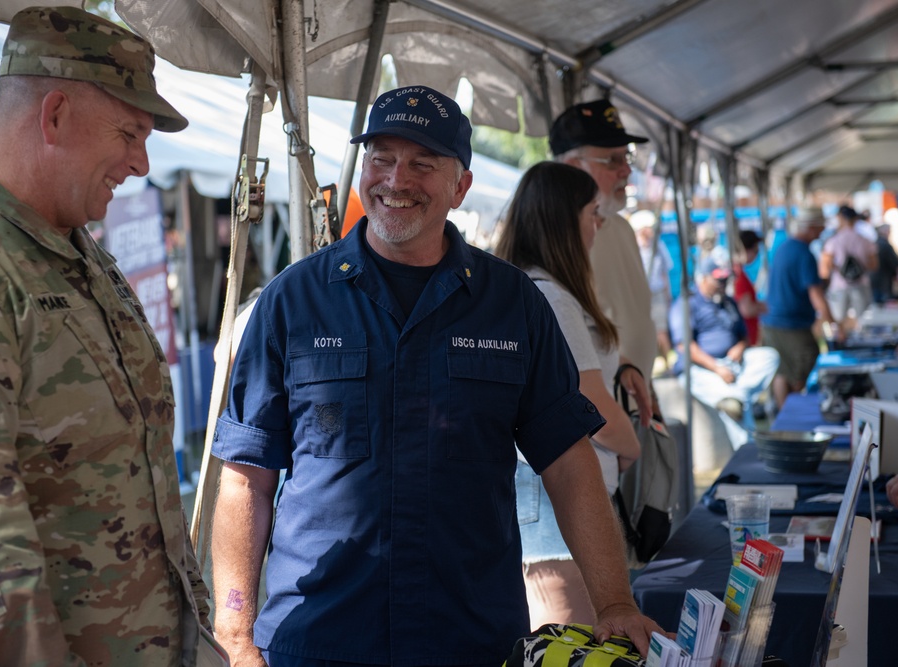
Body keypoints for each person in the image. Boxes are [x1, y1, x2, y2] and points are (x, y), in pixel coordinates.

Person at [208, 86, 664, 667]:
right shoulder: (292, 302)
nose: (397, 179)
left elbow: (570, 463)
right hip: (319, 638)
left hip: (468, 638)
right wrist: (234, 630)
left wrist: (615, 602)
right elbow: (247, 475)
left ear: (460, 186)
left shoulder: (513, 304)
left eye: (423, 163)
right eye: (381, 157)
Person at [0, 7, 212, 666]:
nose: (142, 162)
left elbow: (149, 487)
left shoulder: (84, 261)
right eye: (128, 132)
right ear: (55, 115)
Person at [495, 161, 647, 627]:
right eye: (592, 213)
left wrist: (622, 367)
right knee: (573, 641)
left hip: (544, 497)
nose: (598, 225)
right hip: (559, 501)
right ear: (564, 221)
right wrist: (632, 447)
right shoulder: (552, 296)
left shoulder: (523, 287)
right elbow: (586, 398)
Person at [549, 100, 660, 400]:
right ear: (573, 166)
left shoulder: (622, 227)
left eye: (626, 157)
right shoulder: (554, 240)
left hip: (636, 399)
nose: (626, 170)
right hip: (598, 420)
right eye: (612, 160)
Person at [668, 254, 779, 449]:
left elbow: (744, 335)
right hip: (701, 368)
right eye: (718, 279)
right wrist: (717, 368)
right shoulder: (687, 303)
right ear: (703, 278)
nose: (723, 283)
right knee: (732, 406)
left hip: (733, 364)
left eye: (725, 279)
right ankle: (747, 447)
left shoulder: (728, 301)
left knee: (769, 356)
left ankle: (737, 395)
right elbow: (685, 346)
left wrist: (740, 347)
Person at [761, 207, 838, 410]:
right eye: (820, 226)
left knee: (783, 371)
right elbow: (815, 294)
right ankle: (792, 416)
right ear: (812, 227)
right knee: (801, 369)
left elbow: (805, 286)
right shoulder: (804, 253)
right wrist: (833, 323)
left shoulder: (785, 247)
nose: (822, 231)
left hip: (775, 321)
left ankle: (785, 417)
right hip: (791, 325)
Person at [819, 205, 877, 329]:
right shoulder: (865, 240)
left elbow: (824, 268)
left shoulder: (833, 241)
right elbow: (874, 265)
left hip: (839, 286)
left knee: (837, 323)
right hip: (860, 284)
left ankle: (839, 344)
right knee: (864, 323)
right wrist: (859, 267)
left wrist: (837, 268)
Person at [631, 209, 675, 373]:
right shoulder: (633, 246)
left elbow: (664, 273)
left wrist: (667, 294)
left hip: (656, 294)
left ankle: (668, 359)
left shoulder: (658, 246)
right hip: (639, 296)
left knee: (661, 328)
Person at [733, 230, 768, 346]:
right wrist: (767, 307)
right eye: (755, 249)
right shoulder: (738, 277)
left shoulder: (737, 273)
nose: (757, 253)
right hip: (746, 338)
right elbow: (746, 310)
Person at [869, 221, 898, 304]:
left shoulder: (874, 243)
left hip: (874, 280)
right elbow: (896, 262)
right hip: (884, 281)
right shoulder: (885, 245)